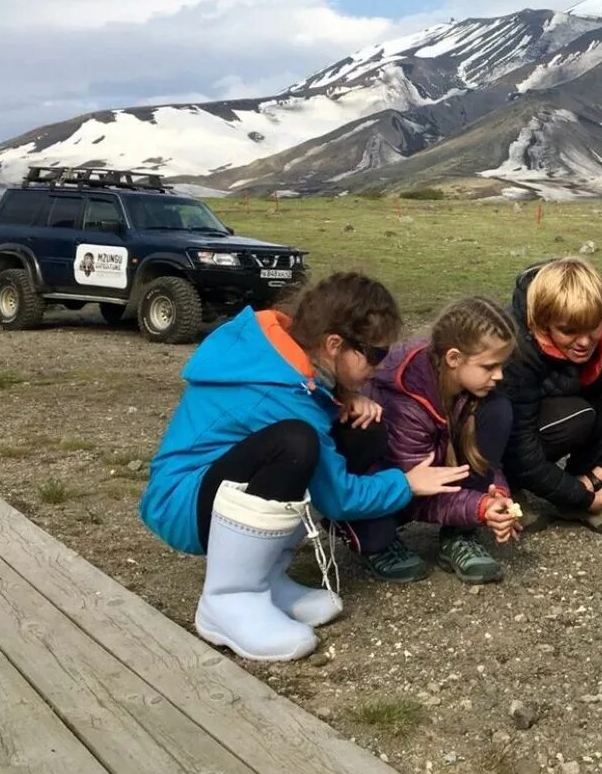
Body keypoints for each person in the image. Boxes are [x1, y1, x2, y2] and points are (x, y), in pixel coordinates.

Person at [139, 271, 468, 662]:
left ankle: (267, 581)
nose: (380, 368)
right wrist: (407, 483)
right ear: (334, 344)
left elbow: (309, 401)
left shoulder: (281, 358)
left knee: (358, 432)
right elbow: (337, 498)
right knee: (295, 443)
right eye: (376, 355)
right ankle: (228, 599)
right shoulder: (282, 395)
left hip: (203, 489)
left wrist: (343, 396)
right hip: (181, 504)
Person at [333, 296, 521, 584]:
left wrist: (497, 496)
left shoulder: (471, 385)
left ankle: (459, 535)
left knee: (499, 408)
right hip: (388, 482)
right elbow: (417, 491)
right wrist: (479, 508)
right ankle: (369, 534)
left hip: (419, 478)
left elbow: (486, 462)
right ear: (454, 358)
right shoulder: (405, 402)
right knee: (377, 535)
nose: (499, 375)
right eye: (489, 366)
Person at [500, 257, 602, 534]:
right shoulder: (517, 341)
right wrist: (584, 496)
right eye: (568, 331)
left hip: (570, 404)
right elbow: (519, 444)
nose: (584, 341)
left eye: (593, 327)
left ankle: (576, 487)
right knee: (577, 418)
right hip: (519, 433)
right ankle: (508, 485)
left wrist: (599, 476)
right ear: (543, 322)